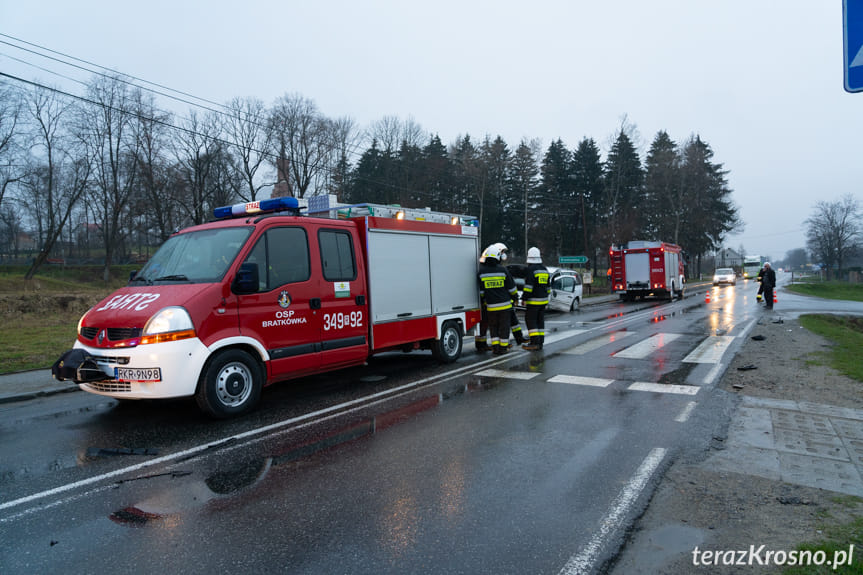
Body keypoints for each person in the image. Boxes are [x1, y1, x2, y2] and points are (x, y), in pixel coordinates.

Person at [477, 244, 518, 355]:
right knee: (504, 328)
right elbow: (512, 288)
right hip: (505, 306)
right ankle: (503, 348)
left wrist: (485, 301)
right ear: (497, 257)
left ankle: (495, 348)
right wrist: (515, 297)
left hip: (491, 307)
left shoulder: (481, 272)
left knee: (493, 328)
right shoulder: (503, 270)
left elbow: (481, 292)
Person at [521, 247, 549, 351]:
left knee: (531, 320)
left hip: (533, 301)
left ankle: (534, 342)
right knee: (540, 321)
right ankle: (540, 342)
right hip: (543, 300)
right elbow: (548, 287)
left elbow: (528, 287)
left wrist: (524, 298)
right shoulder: (544, 269)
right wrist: (546, 297)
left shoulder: (531, 270)